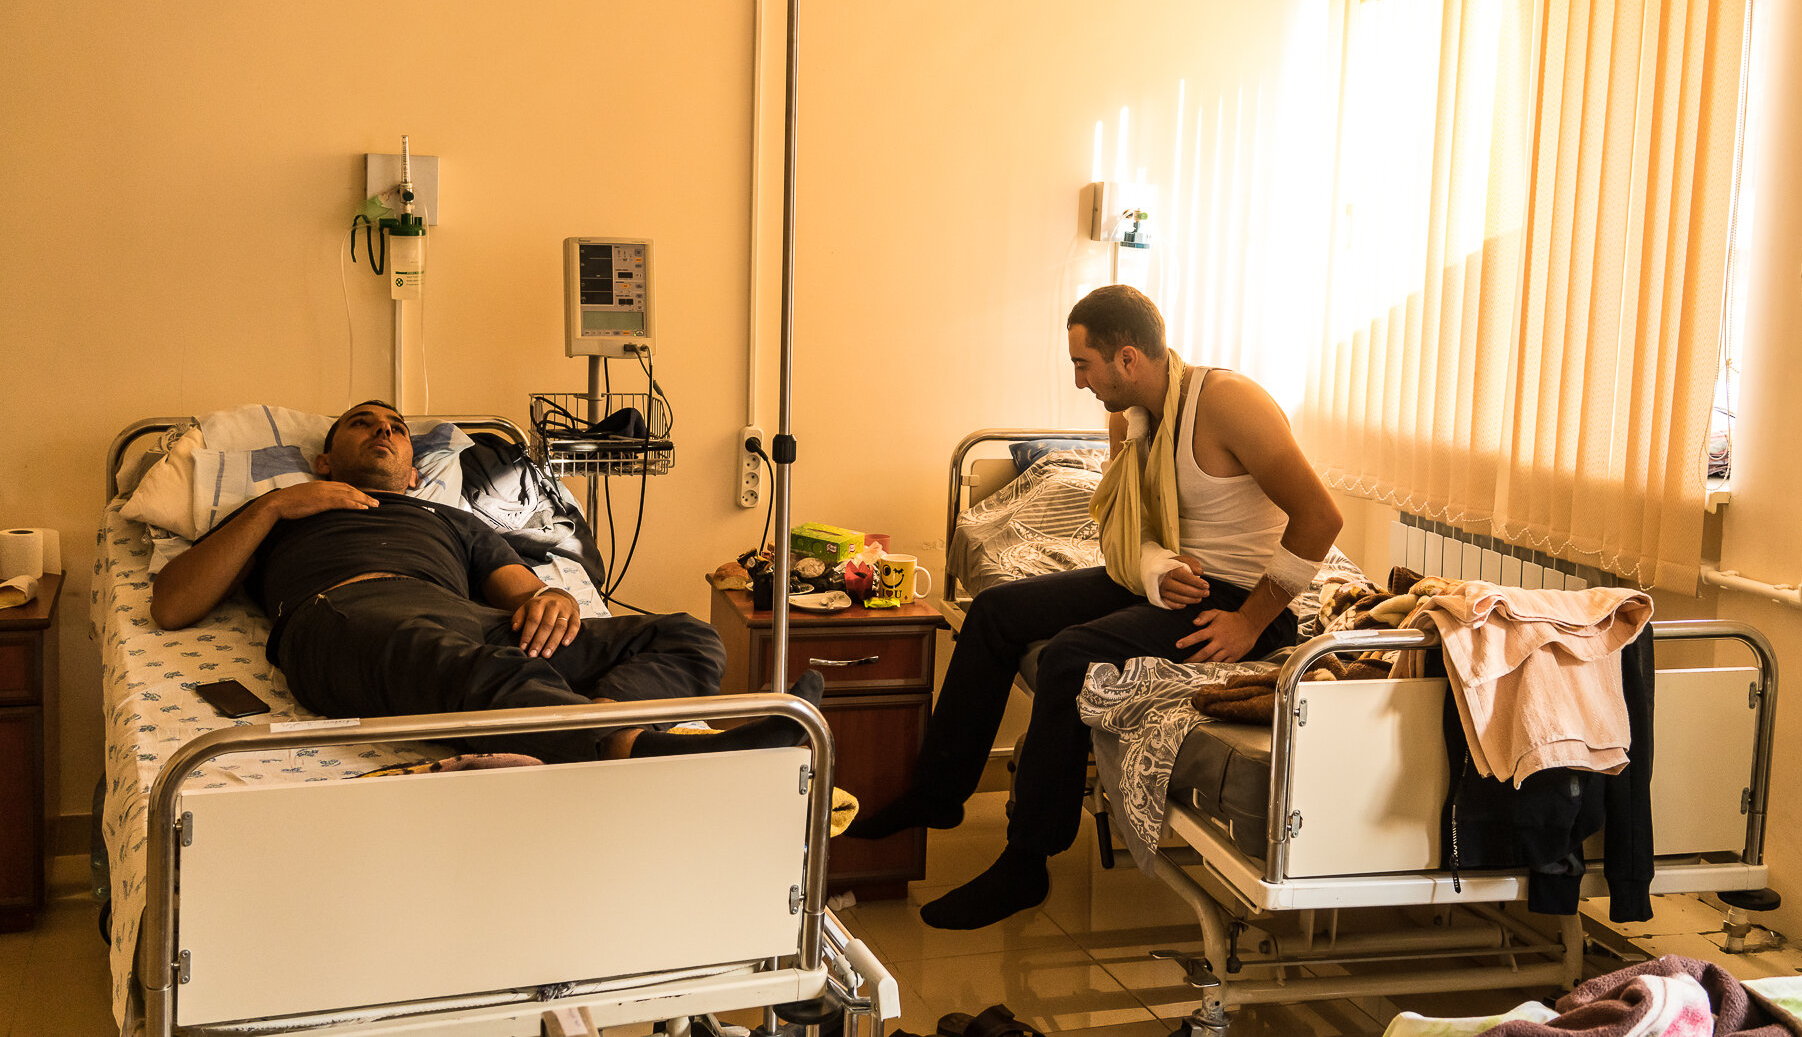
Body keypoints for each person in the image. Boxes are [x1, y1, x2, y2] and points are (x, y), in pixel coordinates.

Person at [848, 285, 1343, 929]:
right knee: (995, 611)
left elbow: (1320, 517)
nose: (1079, 381)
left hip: (1240, 600)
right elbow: (1126, 524)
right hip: (1164, 578)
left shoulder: (1229, 406)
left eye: (1084, 364)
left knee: (1069, 656)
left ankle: (1026, 860)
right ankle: (938, 793)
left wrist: (1250, 621)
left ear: (1129, 358)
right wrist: (1156, 566)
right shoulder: (1128, 417)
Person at [153, 400, 818, 762]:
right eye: (364, 424)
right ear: (328, 457)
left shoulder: (448, 518)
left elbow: (520, 588)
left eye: (395, 429)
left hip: (459, 621)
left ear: (415, 470)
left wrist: (548, 598)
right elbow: (172, 606)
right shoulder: (281, 513)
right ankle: (643, 751)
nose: (383, 432)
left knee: (686, 638)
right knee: (480, 667)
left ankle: (607, 724)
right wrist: (274, 505)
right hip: (344, 617)